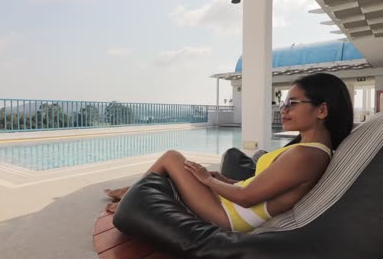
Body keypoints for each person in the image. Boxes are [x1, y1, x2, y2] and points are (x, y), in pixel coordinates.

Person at [105, 73, 353, 233]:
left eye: (292, 103)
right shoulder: (308, 151)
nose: (283, 109)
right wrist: (224, 181)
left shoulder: (307, 156)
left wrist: (208, 180)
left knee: (172, 158)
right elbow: (258, 187)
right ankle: (130, 194)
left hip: (229, 216)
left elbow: (246, 198)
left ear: (321, 110)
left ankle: (130, 199)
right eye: (284, 102)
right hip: (231, 205)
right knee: (184, 168)